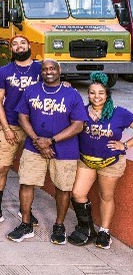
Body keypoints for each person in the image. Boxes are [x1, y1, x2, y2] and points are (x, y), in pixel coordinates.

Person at [8, 60, 87, 244]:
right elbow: (22, 116)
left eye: (52, 69)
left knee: (63, 188)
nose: (48, 72)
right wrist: (37, 140)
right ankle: (26, 224)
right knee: (26, 183)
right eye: (45, 69)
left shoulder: (71, 94)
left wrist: (50, 141)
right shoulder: (31, 90)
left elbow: (78, 125)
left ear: (59, 70)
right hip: (34, 146)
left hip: (65, 149)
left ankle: (59, 226)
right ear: (41, 72)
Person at [0, 35, 41, 226]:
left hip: (35, 128)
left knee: (29, 173)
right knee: (1, 167)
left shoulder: (41, 68)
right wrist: (5, 128)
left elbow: (55, 85)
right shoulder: (4, 71)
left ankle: (27, 212)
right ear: (11, 49)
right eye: (15, 44)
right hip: (12, 125)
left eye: (23, 43)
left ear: (29, 45)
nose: (19, 46)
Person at [68, 72, 133, 249]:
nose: (96, 97)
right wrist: (66, 90)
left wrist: (125, 146)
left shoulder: (119, 113)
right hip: (86, 161)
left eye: (101, 93)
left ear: (107, 95)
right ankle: (88, 228)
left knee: (106, 196)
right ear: (88, 94)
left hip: (110, 163)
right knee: (78, 193)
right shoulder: (81, 111)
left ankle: (104, 231)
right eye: (92, 93)